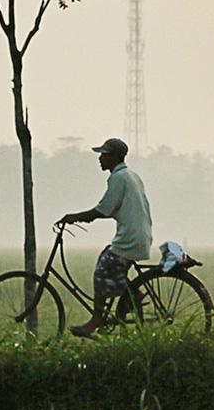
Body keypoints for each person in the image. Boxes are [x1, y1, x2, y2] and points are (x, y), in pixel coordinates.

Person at [60, 137, 152, 339]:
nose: (100, 158)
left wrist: (74, 217)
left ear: (114, 157)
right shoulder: (131, 175)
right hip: (138, 236)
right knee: (105, 257)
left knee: (101, 272)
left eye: (104, 155)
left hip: (129, 239)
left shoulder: (119, 178)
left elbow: (103, 210)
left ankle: (98, 319)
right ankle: (131, 293)